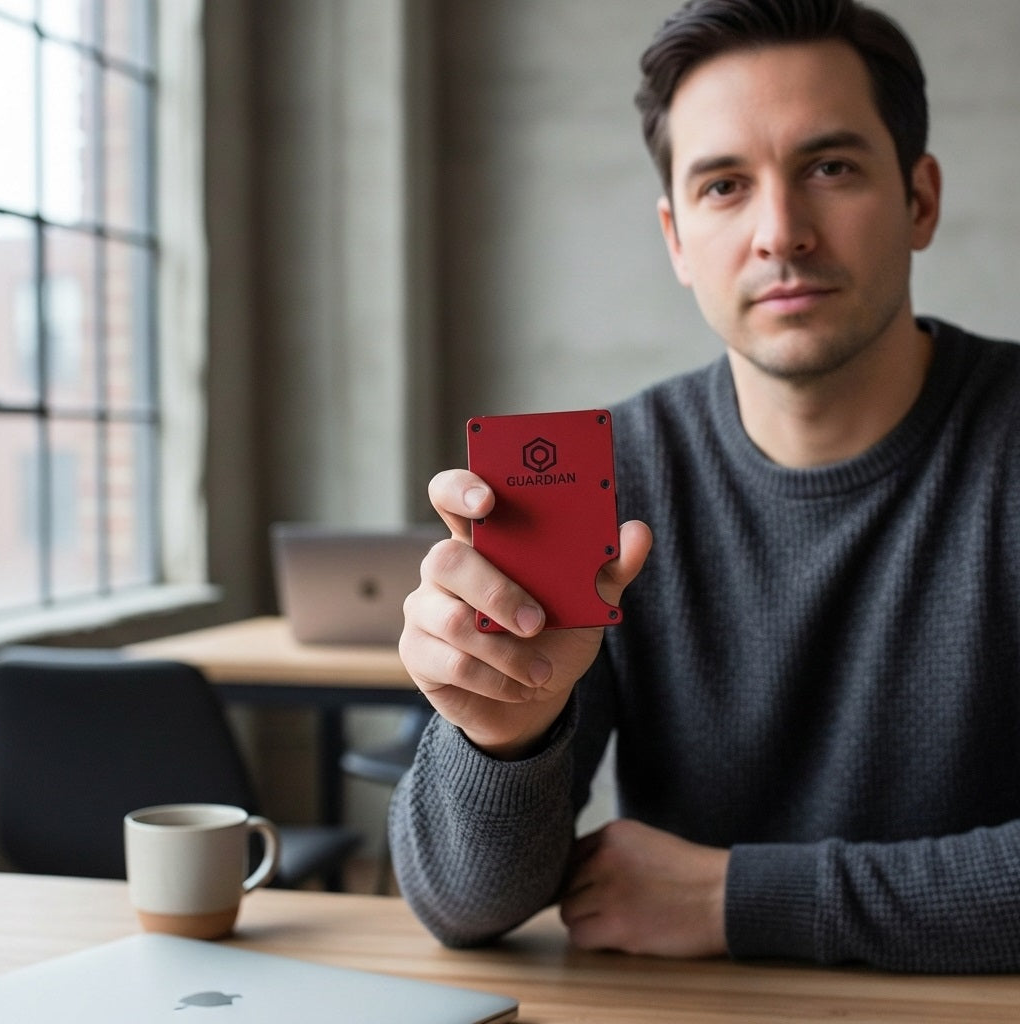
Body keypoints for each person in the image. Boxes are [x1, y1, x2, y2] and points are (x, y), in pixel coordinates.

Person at [389, 0, 1020, 973]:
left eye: (831, 167)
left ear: (920, 198)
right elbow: (462, 909)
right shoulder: (615, 478)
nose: (780, 232)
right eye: (724, 186)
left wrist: (740, 898)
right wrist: (505, 734)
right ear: (677, 236)